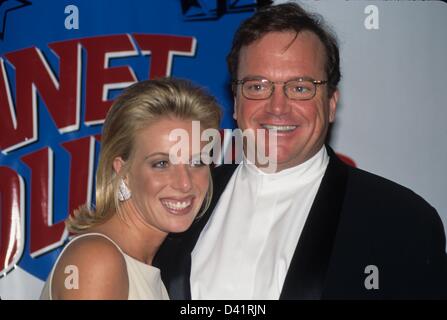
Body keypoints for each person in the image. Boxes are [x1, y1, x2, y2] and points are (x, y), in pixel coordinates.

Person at [154, 3, 447, 299]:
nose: (277, 107)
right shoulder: (181, 199)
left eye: (300, 88)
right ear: (236, 99)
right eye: (257, 86)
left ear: (331, 102)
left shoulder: (401, 222)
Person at [40, 78, 221, 300]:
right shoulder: (96, 260)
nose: (184, 183)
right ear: (123, 172)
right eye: (161, 164)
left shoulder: (145, 268)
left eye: (196, 162)